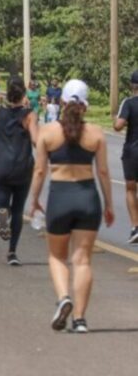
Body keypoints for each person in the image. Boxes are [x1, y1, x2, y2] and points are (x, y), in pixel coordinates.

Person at [28, 79, 113, 333]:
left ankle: (64, 297)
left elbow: (40, 170)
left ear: (61, 102)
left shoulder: (48, 132)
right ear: (85, 106)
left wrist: (34, 200)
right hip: (88, 198)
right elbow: (105, 172)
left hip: (60, 198)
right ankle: (80, 320)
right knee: (83, 260)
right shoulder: (96, 133)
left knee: (57, 256)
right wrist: (109, 204)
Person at [0, 77, 38, 265]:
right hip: (22, 168)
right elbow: (36, 140)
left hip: (1, 166)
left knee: (2, 205)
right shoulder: (29, 115)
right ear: (24, 93)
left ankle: (1, 216)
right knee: (18, 210)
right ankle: (12, 252)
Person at [113, 70, 138, 245]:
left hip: (132, 151)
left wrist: (119, 119)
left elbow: (118, 126)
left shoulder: (128, 103)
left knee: (130, 188)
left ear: (132, 85)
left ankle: (135, 227)